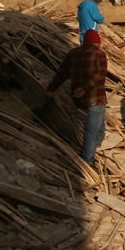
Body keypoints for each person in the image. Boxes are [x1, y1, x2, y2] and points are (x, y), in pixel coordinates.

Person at [46, 29, 107, 166]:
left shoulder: (72, 54)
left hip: (78, 98)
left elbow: (61, 74)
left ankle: (95, 146)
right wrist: (84, 88)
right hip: (95, 97)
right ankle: (87, 159)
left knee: (94, 125)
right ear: (97, 43)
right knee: (92, 129)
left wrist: (51, 89)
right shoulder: (99, 54)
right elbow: (99, 76)